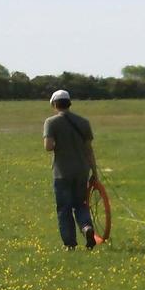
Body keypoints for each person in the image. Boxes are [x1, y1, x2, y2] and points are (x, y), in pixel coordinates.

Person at [43, 90, 98, 250]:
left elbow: (48, 146)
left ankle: (70, 244)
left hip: (62, 173)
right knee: (81, 204)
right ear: (69, 103)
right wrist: (94, 172)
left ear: (54, 104)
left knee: (64, 208)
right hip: (82, 171)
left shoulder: (51, 122)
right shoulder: (83, 122)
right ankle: (87, 228)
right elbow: (89, 150)